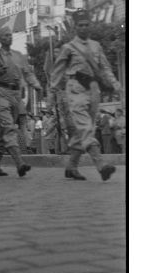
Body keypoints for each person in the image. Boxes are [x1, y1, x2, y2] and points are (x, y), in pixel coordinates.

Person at [49, 10, 122, 181]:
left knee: (84, 130)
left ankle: (71, 167)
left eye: (86, 24)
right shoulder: (69, 48)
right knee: (85, 128)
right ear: (75, 27)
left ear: (90, 25)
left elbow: (104, 67)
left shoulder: (96, 45)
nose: (84, 28)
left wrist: (115, 83)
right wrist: (52, 92)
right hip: (75, 89)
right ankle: (101, 165)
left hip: (93, 89)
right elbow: (57, 71)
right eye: (80, 25)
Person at [0, 26, 42, 177]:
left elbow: (28, 73)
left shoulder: (19, 55)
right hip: (1, 92)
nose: (10, 37)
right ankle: (19, 163)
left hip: (16, 95)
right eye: (6, 35)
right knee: (9, 127)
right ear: (0, 39)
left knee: (4, 131)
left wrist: (36, 85)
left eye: (11, 35)